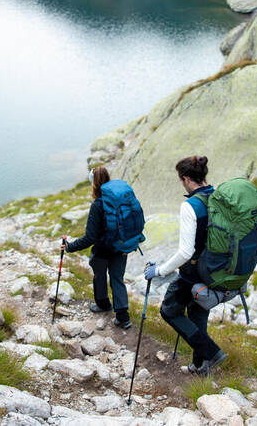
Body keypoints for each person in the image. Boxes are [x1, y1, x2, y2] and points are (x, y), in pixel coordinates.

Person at [144, 156, 226, 375]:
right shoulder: (217, 196)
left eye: (181, 180)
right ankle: (200, 366)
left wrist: (159, 271)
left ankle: (212, 353)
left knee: (169, 311)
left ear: (187, 179)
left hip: (192, 273)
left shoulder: (190, 206)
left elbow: (185, 252)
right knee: (198, 314)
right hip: (214, 269)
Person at [63, 166, 132, 330]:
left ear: (93, 183)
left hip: (102, 250)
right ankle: (123, 318)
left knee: (100, 275)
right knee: (117, 279)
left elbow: (90, 238)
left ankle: (103, 304)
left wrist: (69, 247)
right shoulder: (120, 199)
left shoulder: (97, 205)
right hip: (121, 247)